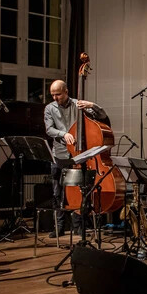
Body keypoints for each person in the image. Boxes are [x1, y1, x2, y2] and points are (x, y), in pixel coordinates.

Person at [43, 79, 108, 238]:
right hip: (59, 154)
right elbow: (49, 129)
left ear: (66, 92)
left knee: (80, 190)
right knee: (57, 192)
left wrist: (92, 105)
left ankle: (79, 225)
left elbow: (103, 116)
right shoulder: (49, 108)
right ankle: (59, 226)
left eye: (58, 94)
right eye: (52, 95)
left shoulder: (78, 105)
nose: (55, 98)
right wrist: (63, 134)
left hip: (79, 155)